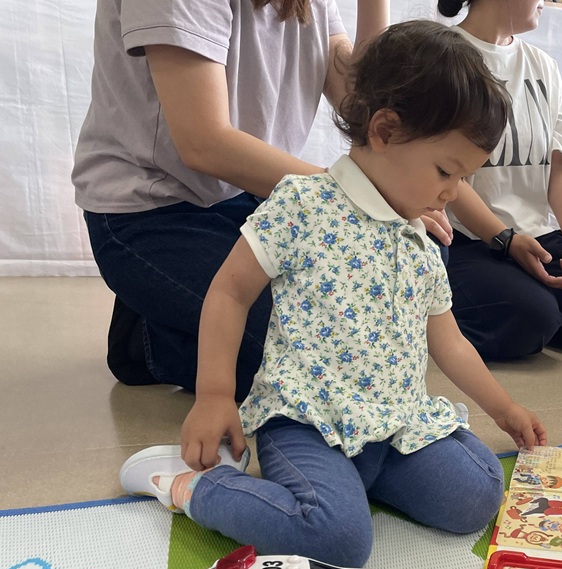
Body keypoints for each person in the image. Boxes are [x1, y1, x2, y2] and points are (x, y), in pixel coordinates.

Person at [118, 21, 547, 566]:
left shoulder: (419, 241)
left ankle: (352, 486)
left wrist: (504, 408)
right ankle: (194, 487)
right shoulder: (303, 203)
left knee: (479, 494)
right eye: (446, 171)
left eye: (462, 179)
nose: (451, 194)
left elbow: (450, 342)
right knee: (337, 541)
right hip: (308, 423)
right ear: (384, 131)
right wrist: (214, 396)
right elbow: (229, 293)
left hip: (393, 426)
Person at [73, 0, 388, 400]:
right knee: (317, 360)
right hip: (151, 211)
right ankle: (147, 340)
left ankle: (167, 306)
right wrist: (356, 196)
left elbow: (363, 112)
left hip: (246, 195)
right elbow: (204, 144)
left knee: (385, 296)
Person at [434, 0, 562, 362]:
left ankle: (524, 303)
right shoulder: (444, 56)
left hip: (533, 238)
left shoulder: (543, 66)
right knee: (533, 319)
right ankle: (444, 314)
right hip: (465, 239)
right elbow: (444, 175)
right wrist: (505, 240)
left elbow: (560, 161)